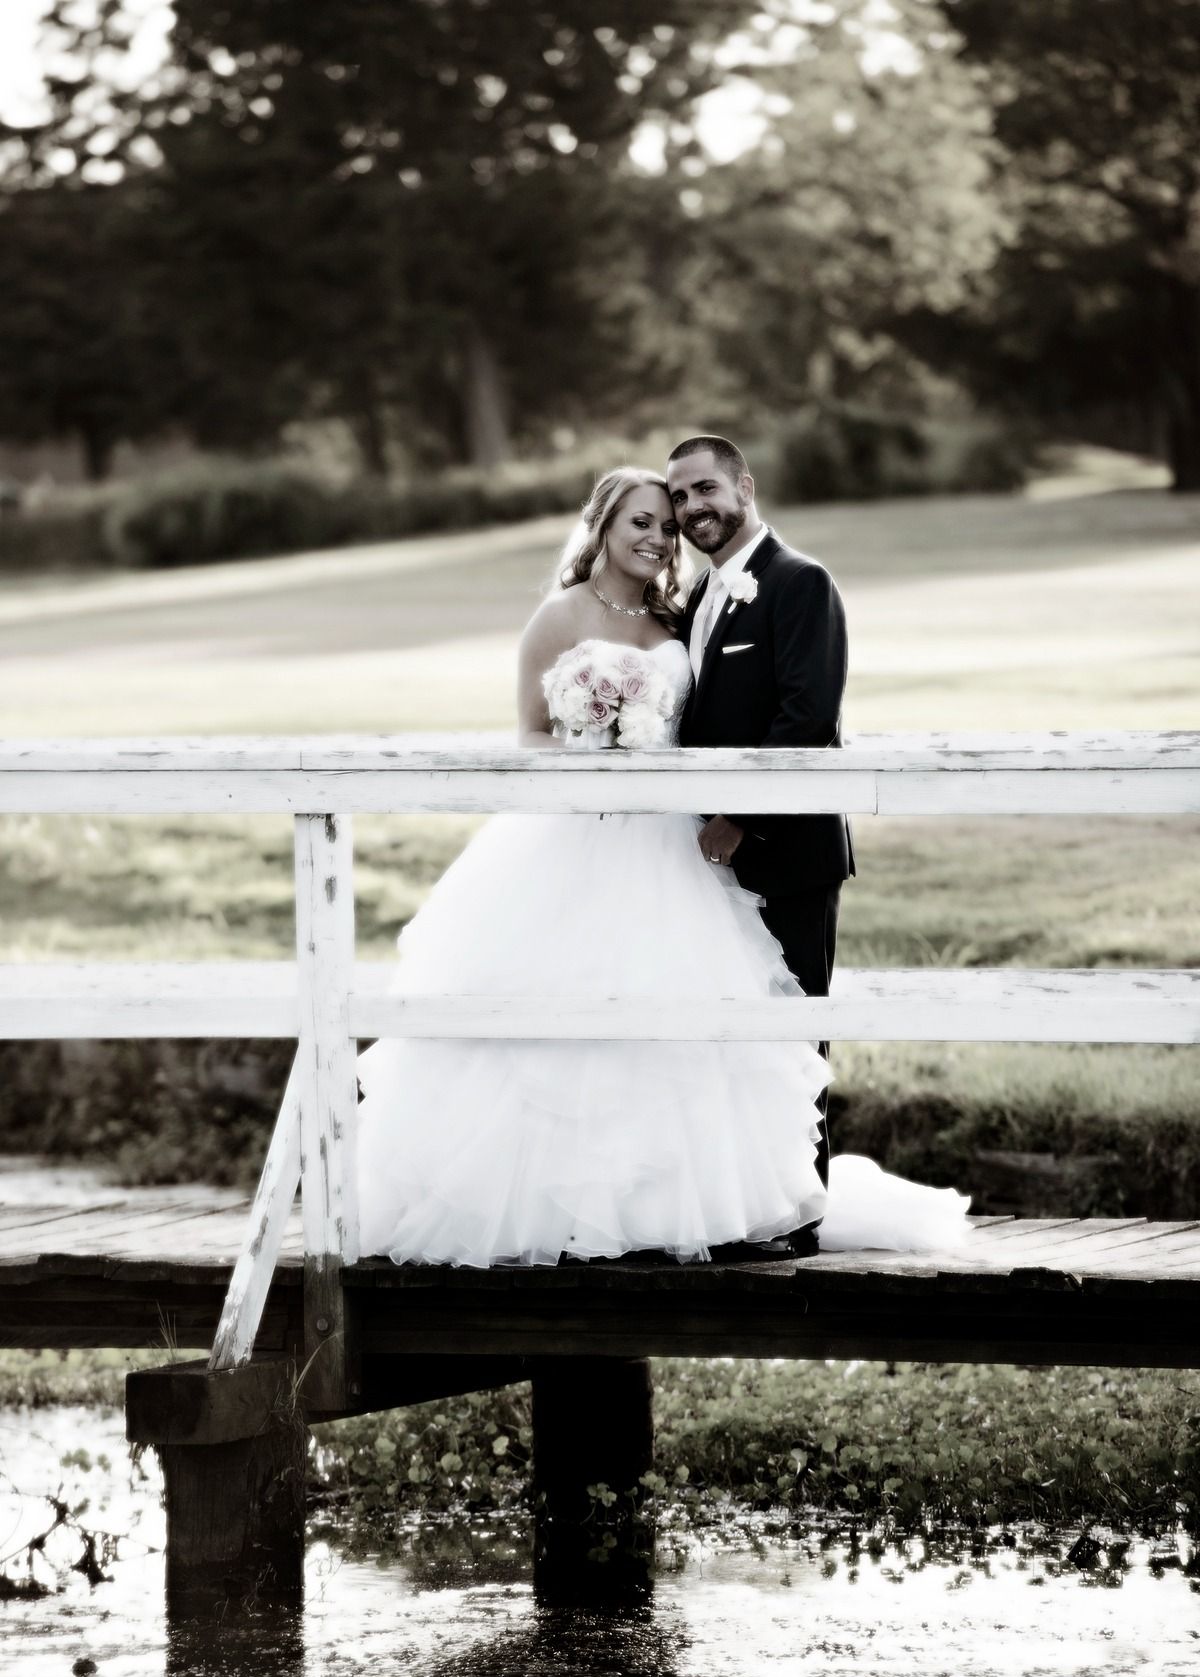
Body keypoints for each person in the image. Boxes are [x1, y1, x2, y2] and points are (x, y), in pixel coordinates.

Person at [355, 466, 967, 1267]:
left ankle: (665, 1210)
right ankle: (560, 1213)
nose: (656, 538)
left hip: (671, 848)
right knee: (561, 1014)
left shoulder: (676, 618)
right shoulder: (559, 616)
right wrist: (596, 749)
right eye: (640, 522)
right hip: (579, 845)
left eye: (666, 528)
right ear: (603, 524)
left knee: (690, 1017)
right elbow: (530, 739)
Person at [667, 434, 853, 1227]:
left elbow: (806, 717)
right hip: (708, 863)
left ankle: (800, 1214)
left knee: (793, 1036)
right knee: (726, 1039)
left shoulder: (799, 583)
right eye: (678, 498)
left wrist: (740, 818)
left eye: (704, 489)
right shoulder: (696, 601)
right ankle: (739, 1208)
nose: (691, 509)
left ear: (744, 484)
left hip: (786, 853)